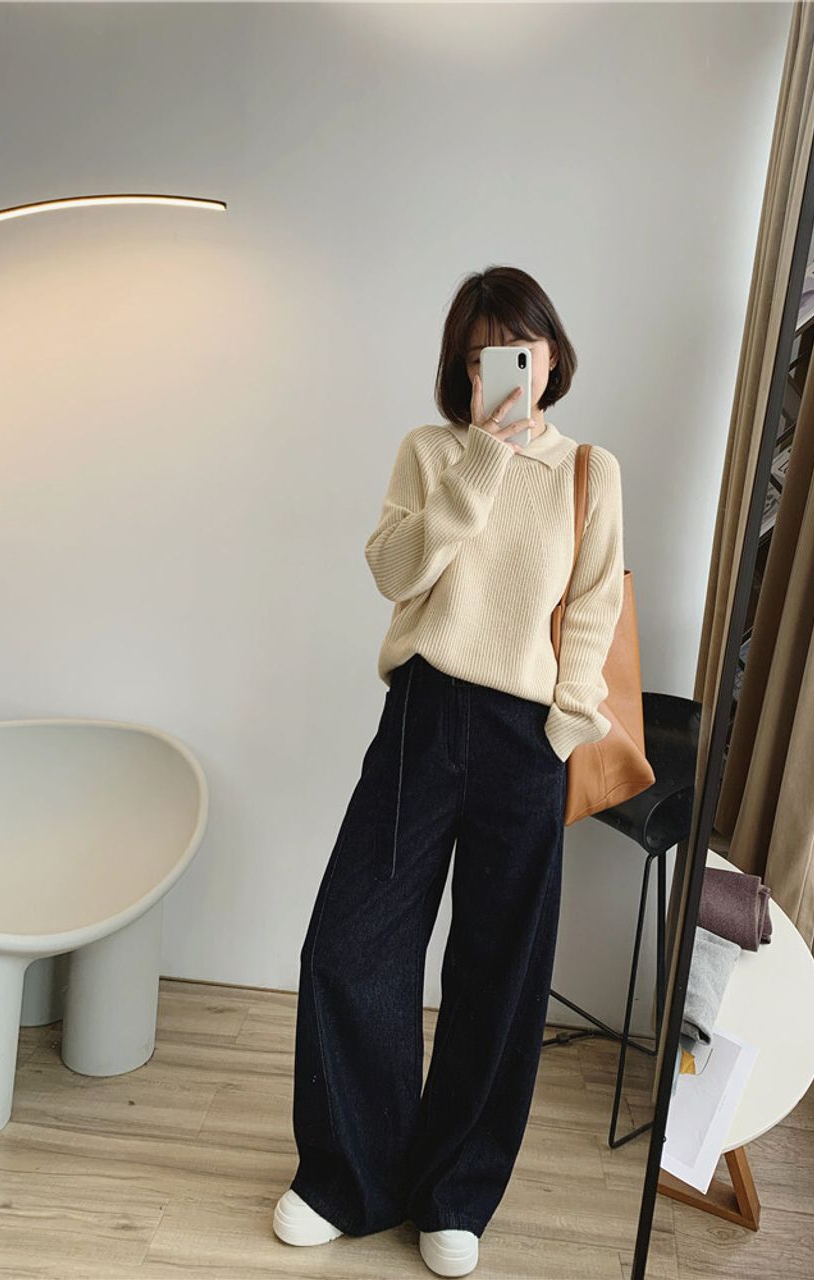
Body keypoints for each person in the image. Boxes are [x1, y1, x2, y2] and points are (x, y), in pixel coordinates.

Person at [272, 265, 624, 1277]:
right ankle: (348, 1179)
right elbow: (394, 572)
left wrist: (564, 725)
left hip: (527, 738)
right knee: (351, 944)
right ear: (460, 370)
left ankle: (455, 1192)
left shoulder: (590, 471)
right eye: (479, 358)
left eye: (517, 349)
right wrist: (479, 465)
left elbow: (593, 606)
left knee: (498, 973)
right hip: (424, 716)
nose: (499, 371)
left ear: (551, 355)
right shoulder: (431, 452)